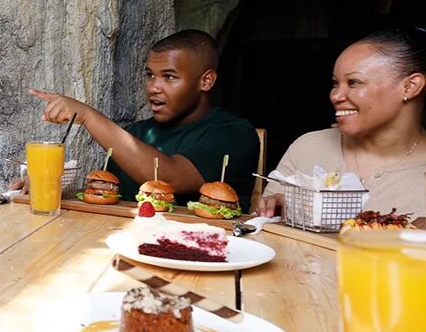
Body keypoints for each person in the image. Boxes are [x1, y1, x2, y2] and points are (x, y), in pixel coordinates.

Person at [23, 29, 260, 208]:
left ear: (205, 81)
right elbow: (106, 198)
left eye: (169, 77)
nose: (153, 87)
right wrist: (50, 186)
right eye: (150, 75)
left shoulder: (234, 133)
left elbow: (168, 178)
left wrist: (87, 115)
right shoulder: (135, 133)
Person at [256, 26, 426, 221]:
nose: (335, 95)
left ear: (410, 86)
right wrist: (274, 213)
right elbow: (255, 235)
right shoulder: (308, 147)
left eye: (354, 82)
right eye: (335, 83)